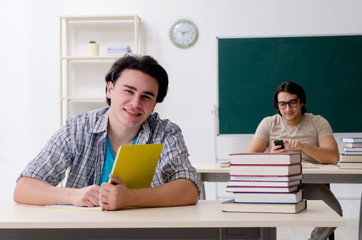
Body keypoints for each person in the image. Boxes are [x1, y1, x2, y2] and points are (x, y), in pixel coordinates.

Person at [13, 55, 200, 210]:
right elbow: (24, 188)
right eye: (128, 91)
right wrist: (73, 195)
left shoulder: (166, 132)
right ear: (110, 89)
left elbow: (189, 190)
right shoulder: (77, 128)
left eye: (146, 97)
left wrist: (130, 198)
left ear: (154, 105)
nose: (135, 103)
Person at [247, 81, 342, 240]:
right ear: (277, 105)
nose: (288, 109)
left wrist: (303, 147)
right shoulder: (269, 123)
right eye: (282, 104)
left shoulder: (318, 122)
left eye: (292, 103)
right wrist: (271, 156)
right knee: (250, 211)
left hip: (308, 182)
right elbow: (249, 158)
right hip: (276, 183)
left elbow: (333, 157)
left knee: (334, 212)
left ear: (301, 102)